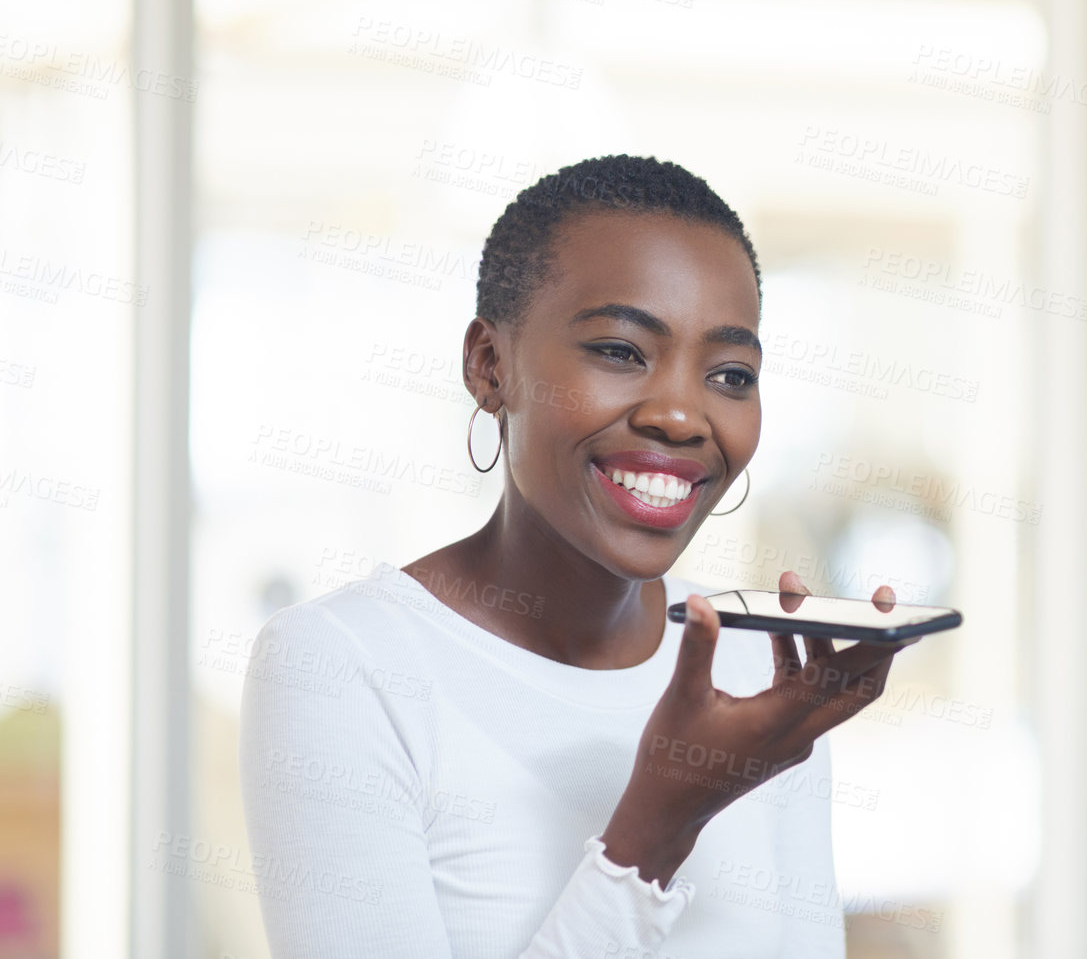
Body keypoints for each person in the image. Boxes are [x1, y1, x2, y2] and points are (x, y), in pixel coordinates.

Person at [238, 155, 911, 957]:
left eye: (730, 373)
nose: (680, 415)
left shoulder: (757, 669)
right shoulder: (343, 666)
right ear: (490, 365)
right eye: (621, 351)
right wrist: (653, 831)